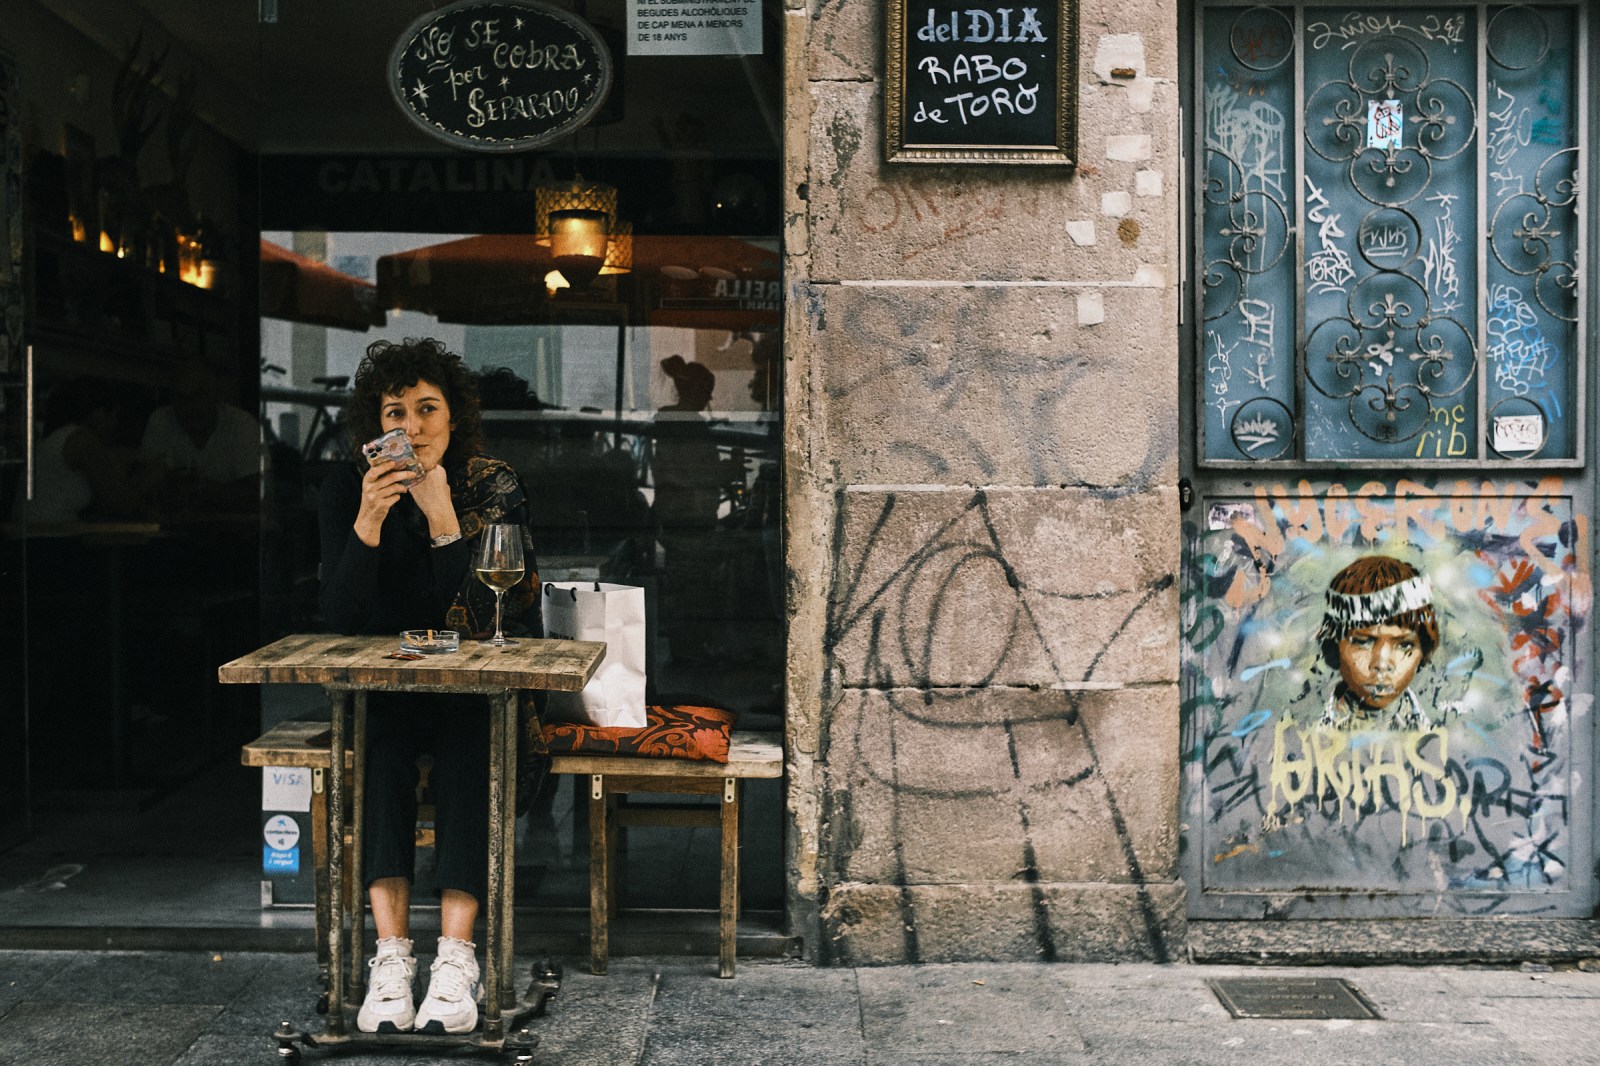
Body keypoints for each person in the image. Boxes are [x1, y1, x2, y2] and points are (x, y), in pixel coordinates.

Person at [318, 337, 541, 1035]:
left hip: (474, 690)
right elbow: (337, 620)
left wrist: (446, 523)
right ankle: (389, 958)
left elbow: (501, 619)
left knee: (469, 746)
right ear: (374, 424)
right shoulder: (345, 487)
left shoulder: (490, 485)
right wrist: (369, 522)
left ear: (453, 416)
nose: (410, 429)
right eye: (394, 412)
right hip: (389, 689)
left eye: (426, 409)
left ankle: (455, 957)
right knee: (379, 748)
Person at [1314, 555, 1439, 732]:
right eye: (1363, 642)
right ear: (1334, 647)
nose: (1382, 664)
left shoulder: (1438, 738)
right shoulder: (1300, 734)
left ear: (1423, 652)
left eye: (1404, 645)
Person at [9, 376, 158, 522]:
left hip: (34, 535)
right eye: (114, 416)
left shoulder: (56, 437)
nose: (115, 424)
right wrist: (150, 477)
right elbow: (122, 504)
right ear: (99, 413)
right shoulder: (82, 440)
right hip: (48, 538)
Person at [139, 358, 263, 513]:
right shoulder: (161, 421)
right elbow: (148, 488)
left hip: (234, 531)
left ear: (216, 396)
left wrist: (195, 487)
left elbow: (258, 494)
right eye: (182, 397)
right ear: (172, 399)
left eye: (199, 395)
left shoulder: (241, 425)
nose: (191, 406)